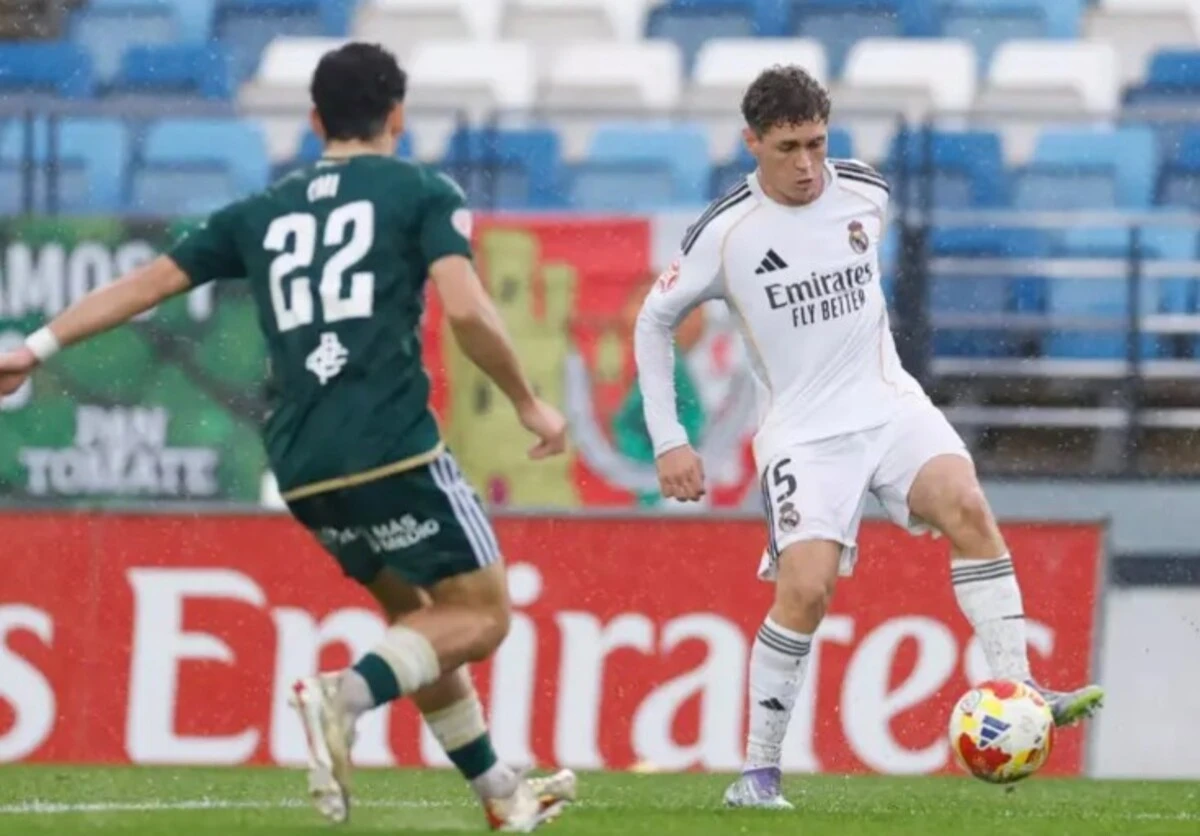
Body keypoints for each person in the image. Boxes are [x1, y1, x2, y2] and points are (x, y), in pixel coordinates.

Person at [0, 42, 576, 831]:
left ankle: (498, 793)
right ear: (397, 116)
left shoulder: (260, 211)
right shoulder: (420, 191)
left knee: (420, 622)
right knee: (481, 617)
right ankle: (343, 696)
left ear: (314, 121)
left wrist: (34, 348)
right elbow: (470, 310)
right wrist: (530, 403)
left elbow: (145, 285)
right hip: (391, 443)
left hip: (302, 459)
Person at [632, 64, 1104, 809]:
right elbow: (653, 320)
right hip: (805, 435)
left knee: (969, 507)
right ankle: (758, 775)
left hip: (889, 406)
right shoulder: (725, 233)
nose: (806, 165)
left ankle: (1019, 689)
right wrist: (669, 438)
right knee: (807, 588)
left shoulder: (866, 191)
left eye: (817, 143)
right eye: (787, 147)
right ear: (751, 142)